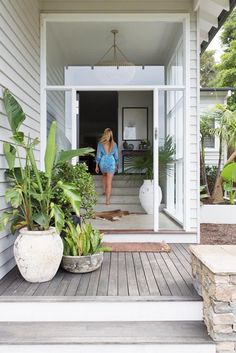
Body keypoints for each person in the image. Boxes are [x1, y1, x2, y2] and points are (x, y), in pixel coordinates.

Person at [95, 128, 119, 205]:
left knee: (104, 175)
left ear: (104, 134)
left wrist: (97, 166)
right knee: (109, 182)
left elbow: (98, 155)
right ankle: (107, 200)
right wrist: (117, 164)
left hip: (103, 163)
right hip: (111, 162)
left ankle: (104, 191)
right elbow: (116, 156)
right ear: (111, 135)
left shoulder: (100, 143)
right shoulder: (114, 144)